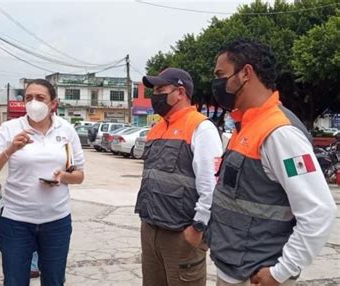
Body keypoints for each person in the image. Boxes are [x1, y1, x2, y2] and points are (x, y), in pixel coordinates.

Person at [207, 39, 337, 286]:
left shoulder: (280, 134)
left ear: (246, 73)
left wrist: (281, 272)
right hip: (233, 267)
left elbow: (319, 211)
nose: (217, 84)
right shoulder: (246, 125)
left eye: (221, 75)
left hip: (256, 276)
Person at [0, 79, 85, 286]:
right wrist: (10, 150)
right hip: (16, 222)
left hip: (57, 221)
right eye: (28, 98)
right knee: (15, 281)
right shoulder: (9, 129)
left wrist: (63, 177)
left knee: (54, 281)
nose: (33, 102)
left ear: (53, 103)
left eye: (40, 98)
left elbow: (79, 175)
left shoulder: (66, 130)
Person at [135, 68, 223, 286]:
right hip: (150, 229)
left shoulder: (201, 128)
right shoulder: (156, 129)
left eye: (160, 89)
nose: (155, 96)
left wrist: (198, 227)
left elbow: (211, 185)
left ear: (180, 93)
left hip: (180, 236)